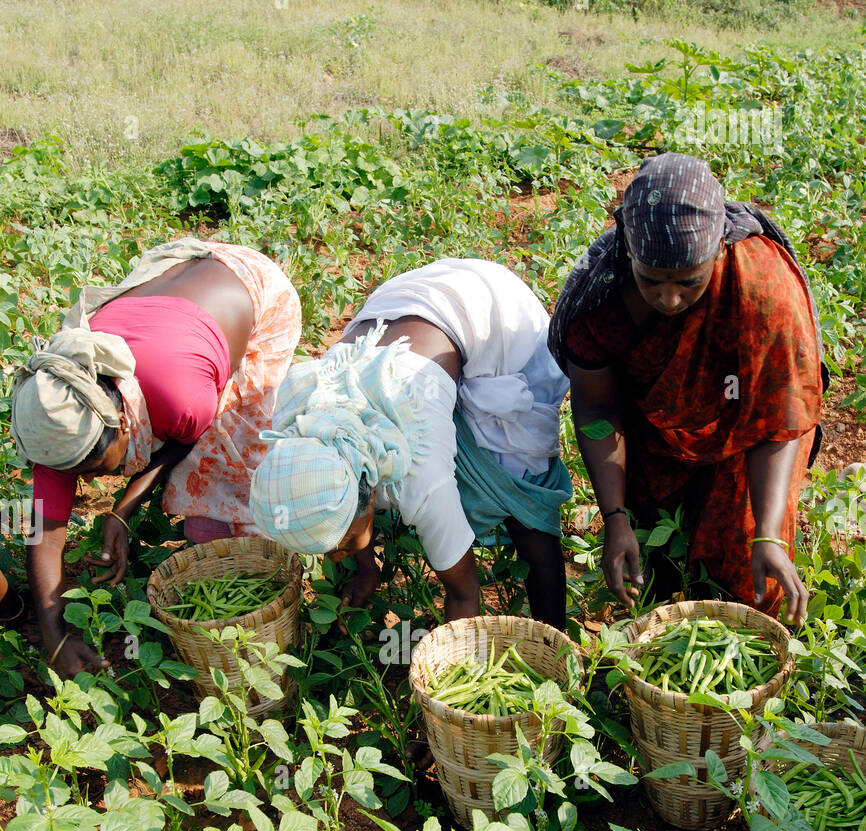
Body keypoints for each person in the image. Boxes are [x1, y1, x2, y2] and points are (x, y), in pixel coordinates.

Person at [547, 152, 827, 624]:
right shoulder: (601, 305)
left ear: (719, 250)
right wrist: (615, 518)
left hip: (749, 429)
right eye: (652, 282)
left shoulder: (761, 288)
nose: (670, 299)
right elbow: (597, 411)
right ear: (630, 253)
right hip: (653, 434)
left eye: (689, 282)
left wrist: (768, 535)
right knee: (655, 554)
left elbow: (779, 418)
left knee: (744, 569)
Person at [12, 238, 301, 678]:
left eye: (95, 469)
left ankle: (259, 547)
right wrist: (53, 633)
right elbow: (44, 534)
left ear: (125, 423)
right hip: (175, 299)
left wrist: (124, 509)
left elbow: (187, 438)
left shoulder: (180, 400)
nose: (87, 483)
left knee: (234, 447)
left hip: (252, 290)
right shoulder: (58, 411)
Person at [248, 257, 573, 629]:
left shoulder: (420, 475)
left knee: (524, 504)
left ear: (367, 494)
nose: (335, 557)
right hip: (400, 308)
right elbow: (346, 499)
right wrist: (366, 570)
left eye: (337, 545)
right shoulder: (295, 430)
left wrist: (450, 672)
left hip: (493, 311)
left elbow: (464, 594)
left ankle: (554, 638)